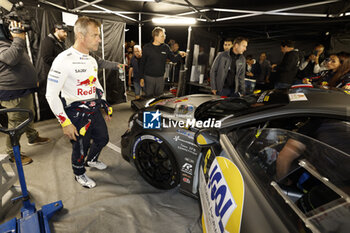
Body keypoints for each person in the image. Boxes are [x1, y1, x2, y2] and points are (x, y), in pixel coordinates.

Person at [46, 16, 123, 188]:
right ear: (81, 36)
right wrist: (65, 122)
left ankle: (92, 160)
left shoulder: (91, 59)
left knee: (103, 138)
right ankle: (79, 174)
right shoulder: (63, 60)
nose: (99, 39)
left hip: (93, 110)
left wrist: (104, 103)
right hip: (75, 113)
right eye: (95, 35)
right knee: (80, 147)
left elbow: (94, 82)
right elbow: (51, 95)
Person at [0, 21, 50, 165]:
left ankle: (32, 137)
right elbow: (11, 58)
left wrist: (31, 80)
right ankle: (13, 154)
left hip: (22, 89)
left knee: (29, 114)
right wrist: (18, 38)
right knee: (16, 122)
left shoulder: (7, 44)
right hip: (12, 92)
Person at [139, 27, 186, 98]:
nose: (164, 37)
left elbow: (173, 59)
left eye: (164, 35)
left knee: (159, 98)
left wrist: (180, 55)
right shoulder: (147, 47)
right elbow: (142, 63)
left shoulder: (165, 47)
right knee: (148, 98)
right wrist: (141, 78)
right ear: (155, 36)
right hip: (148, 78)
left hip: (160, 78)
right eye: (162, 36)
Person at [36, 22, 68, 120]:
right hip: (54, 75)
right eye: (63, 31)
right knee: (55, 98)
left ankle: (66, 116)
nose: (66, 34)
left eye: (66, 31)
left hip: (63, 74)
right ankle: (60, 118)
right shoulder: (48, 41)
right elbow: (46, 58)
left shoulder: (60, 42)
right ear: (56, 30)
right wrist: (63, 60)